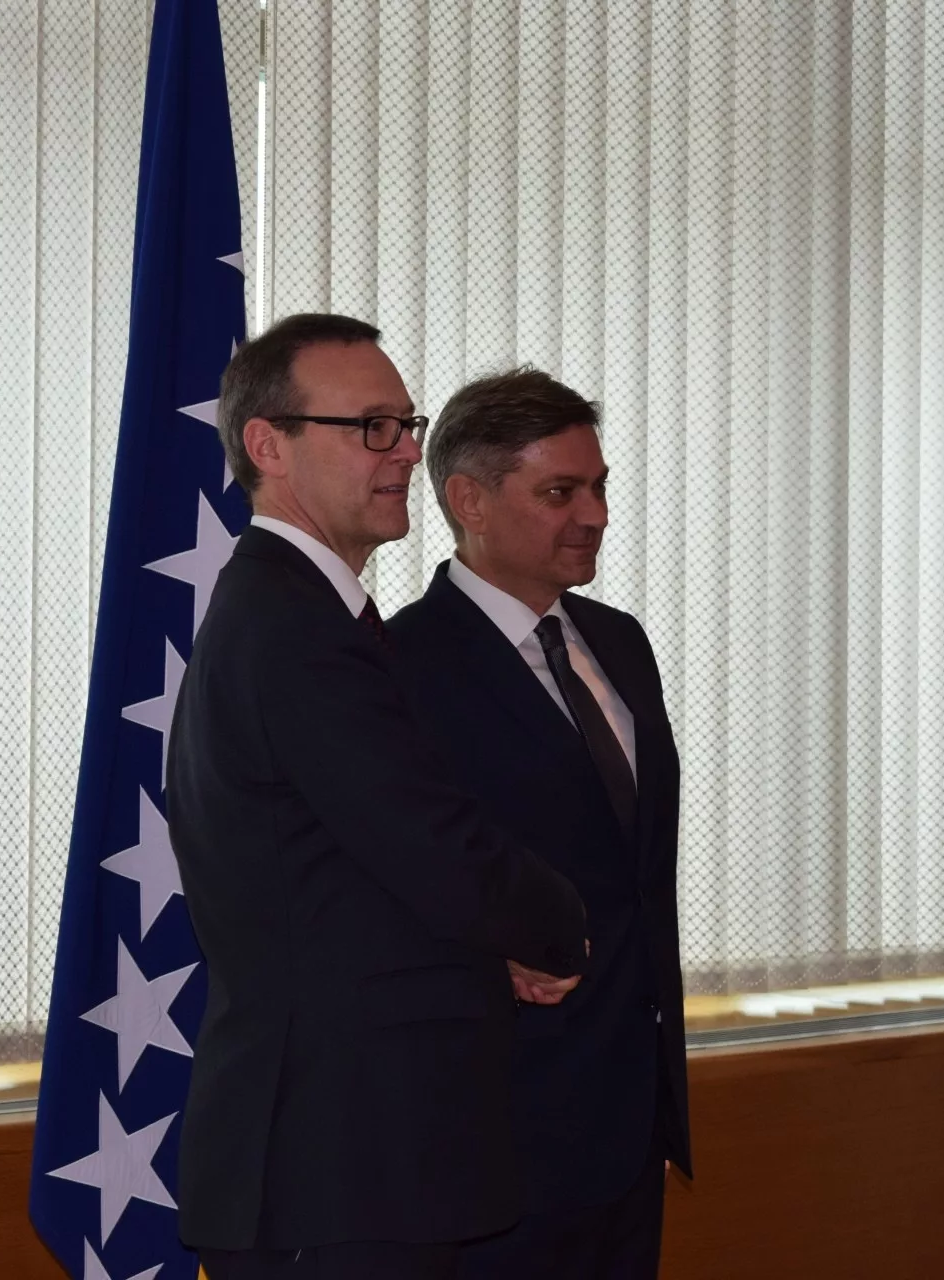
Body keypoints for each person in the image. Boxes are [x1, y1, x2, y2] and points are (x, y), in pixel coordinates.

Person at [166, 316, 590, 1280]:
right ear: (268, 445)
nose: (404, 452)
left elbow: (354, 872)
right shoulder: (295, 629)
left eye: (406, 424)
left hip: (358, 1158)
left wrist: (492, 943)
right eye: (371, 428)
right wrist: (559, 926)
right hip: (334, 1163)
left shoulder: (307, 614)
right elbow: (432, 843)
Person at [386, 368, 692, 1280]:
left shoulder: (619, 641)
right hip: (498, 1130)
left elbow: (634, 873)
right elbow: (389, 883)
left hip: (631, 1117)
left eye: (598, 486)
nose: (595, 514)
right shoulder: (399, 664)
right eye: (561, 492)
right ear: (469, 500)